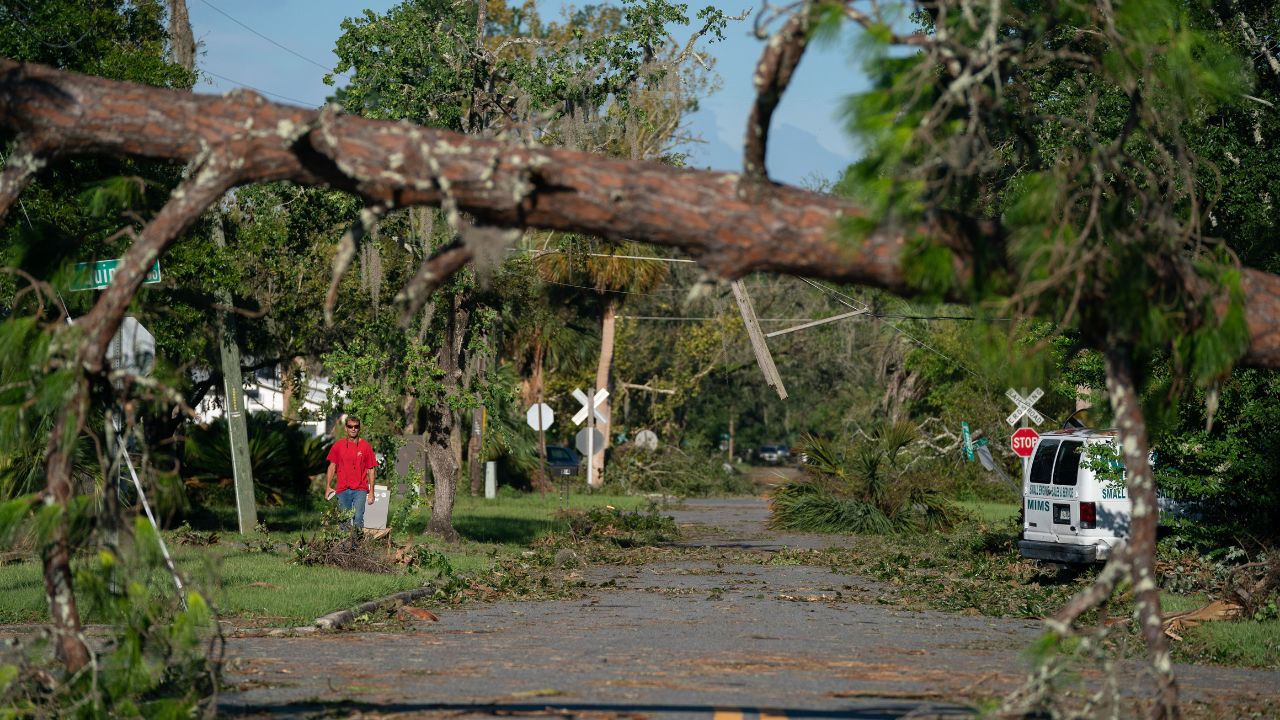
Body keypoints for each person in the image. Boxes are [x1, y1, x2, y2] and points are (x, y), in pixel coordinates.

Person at [325, 415, 376, 527]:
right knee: (344, 520)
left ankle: (357, 544)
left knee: (358, 518)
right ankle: (345, 545)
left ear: (359, 428)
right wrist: (328, 486)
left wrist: (372, 491)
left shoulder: (366, 446)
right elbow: (332, 466)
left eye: (356, 426)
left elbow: (371, 470)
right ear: (346, 428)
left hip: (360, 489)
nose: (353, 429)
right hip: (342, 489)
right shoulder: (338, 445)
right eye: (350, 426)